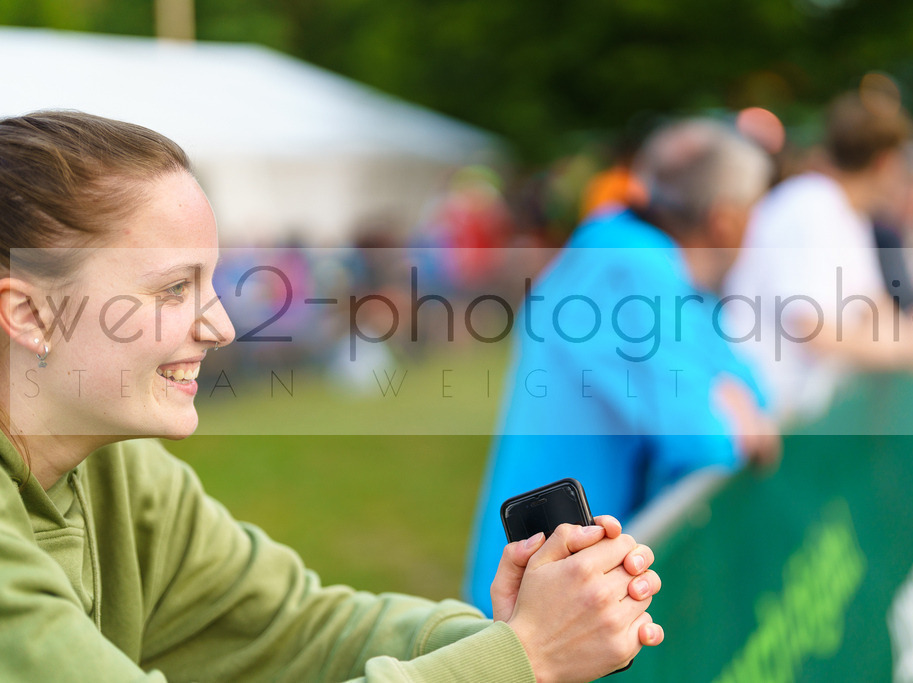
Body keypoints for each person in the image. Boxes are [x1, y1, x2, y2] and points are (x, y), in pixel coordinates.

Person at [0, 110, 663, 682]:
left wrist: (511, 633)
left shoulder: (118, 467)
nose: (221, 325)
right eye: (174, 288)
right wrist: (525, 654)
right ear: (28, 314)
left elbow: (298, 628)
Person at [465, 119, 779, 616]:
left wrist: (736, 404)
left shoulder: (631, 252)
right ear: (725, 220)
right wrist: (734, 413)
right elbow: (706, 440)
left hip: (578, 577)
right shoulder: (631, 270)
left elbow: (751, 389)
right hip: (547, 594)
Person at [723, 89, 913, 422]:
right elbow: (814, 330)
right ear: (886, 162)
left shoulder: (845, 214)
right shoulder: (811, 207)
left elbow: (873, 308)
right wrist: (910, 348)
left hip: (790, 419)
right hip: (765, 418)